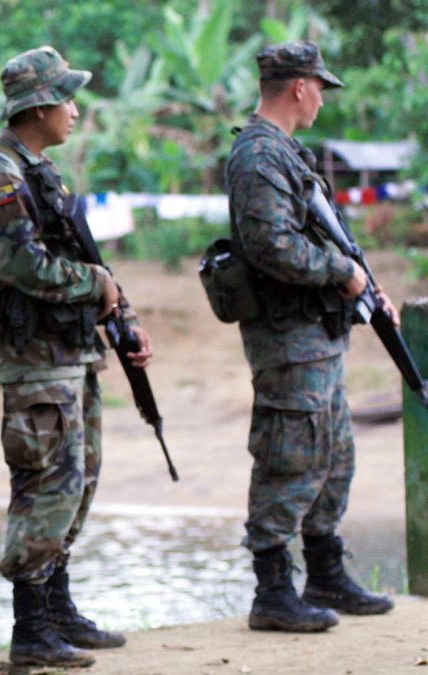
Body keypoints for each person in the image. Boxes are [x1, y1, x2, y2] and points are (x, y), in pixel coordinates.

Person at [0, 47, 154, 669]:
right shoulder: (2, 173)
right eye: (68, 100)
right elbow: (18, 264)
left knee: (77, 482)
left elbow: (77, 252)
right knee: (47, 485)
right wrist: (93, 283)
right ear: (39, 107)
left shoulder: (40, 169)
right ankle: (32, 627)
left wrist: (119, 313)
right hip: (37, 361)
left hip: (72, 353)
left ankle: (59, 608)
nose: (75, 110)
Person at [224, 41, 395, 633]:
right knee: (288, 457)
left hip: (317, 334)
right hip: (287, 336)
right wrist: (341, 273)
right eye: (320, 87)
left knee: (332, 457)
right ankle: (273, 591)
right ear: (298, 87)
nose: (322, 97)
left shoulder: (287, 154)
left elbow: (329, 240)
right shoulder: (258, 156)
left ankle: (324, 572)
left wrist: (366, 285)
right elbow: (272, 246)